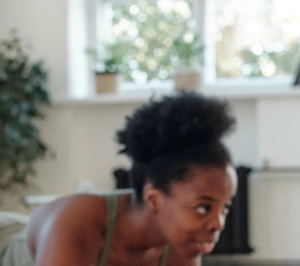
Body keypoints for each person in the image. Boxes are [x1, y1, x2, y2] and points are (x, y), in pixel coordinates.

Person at [24, 92, 239, 266]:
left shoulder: (181, 247)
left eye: (225, 207)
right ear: (154, 199)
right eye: (203, 208)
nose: (218, 224)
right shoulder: (77, 222)